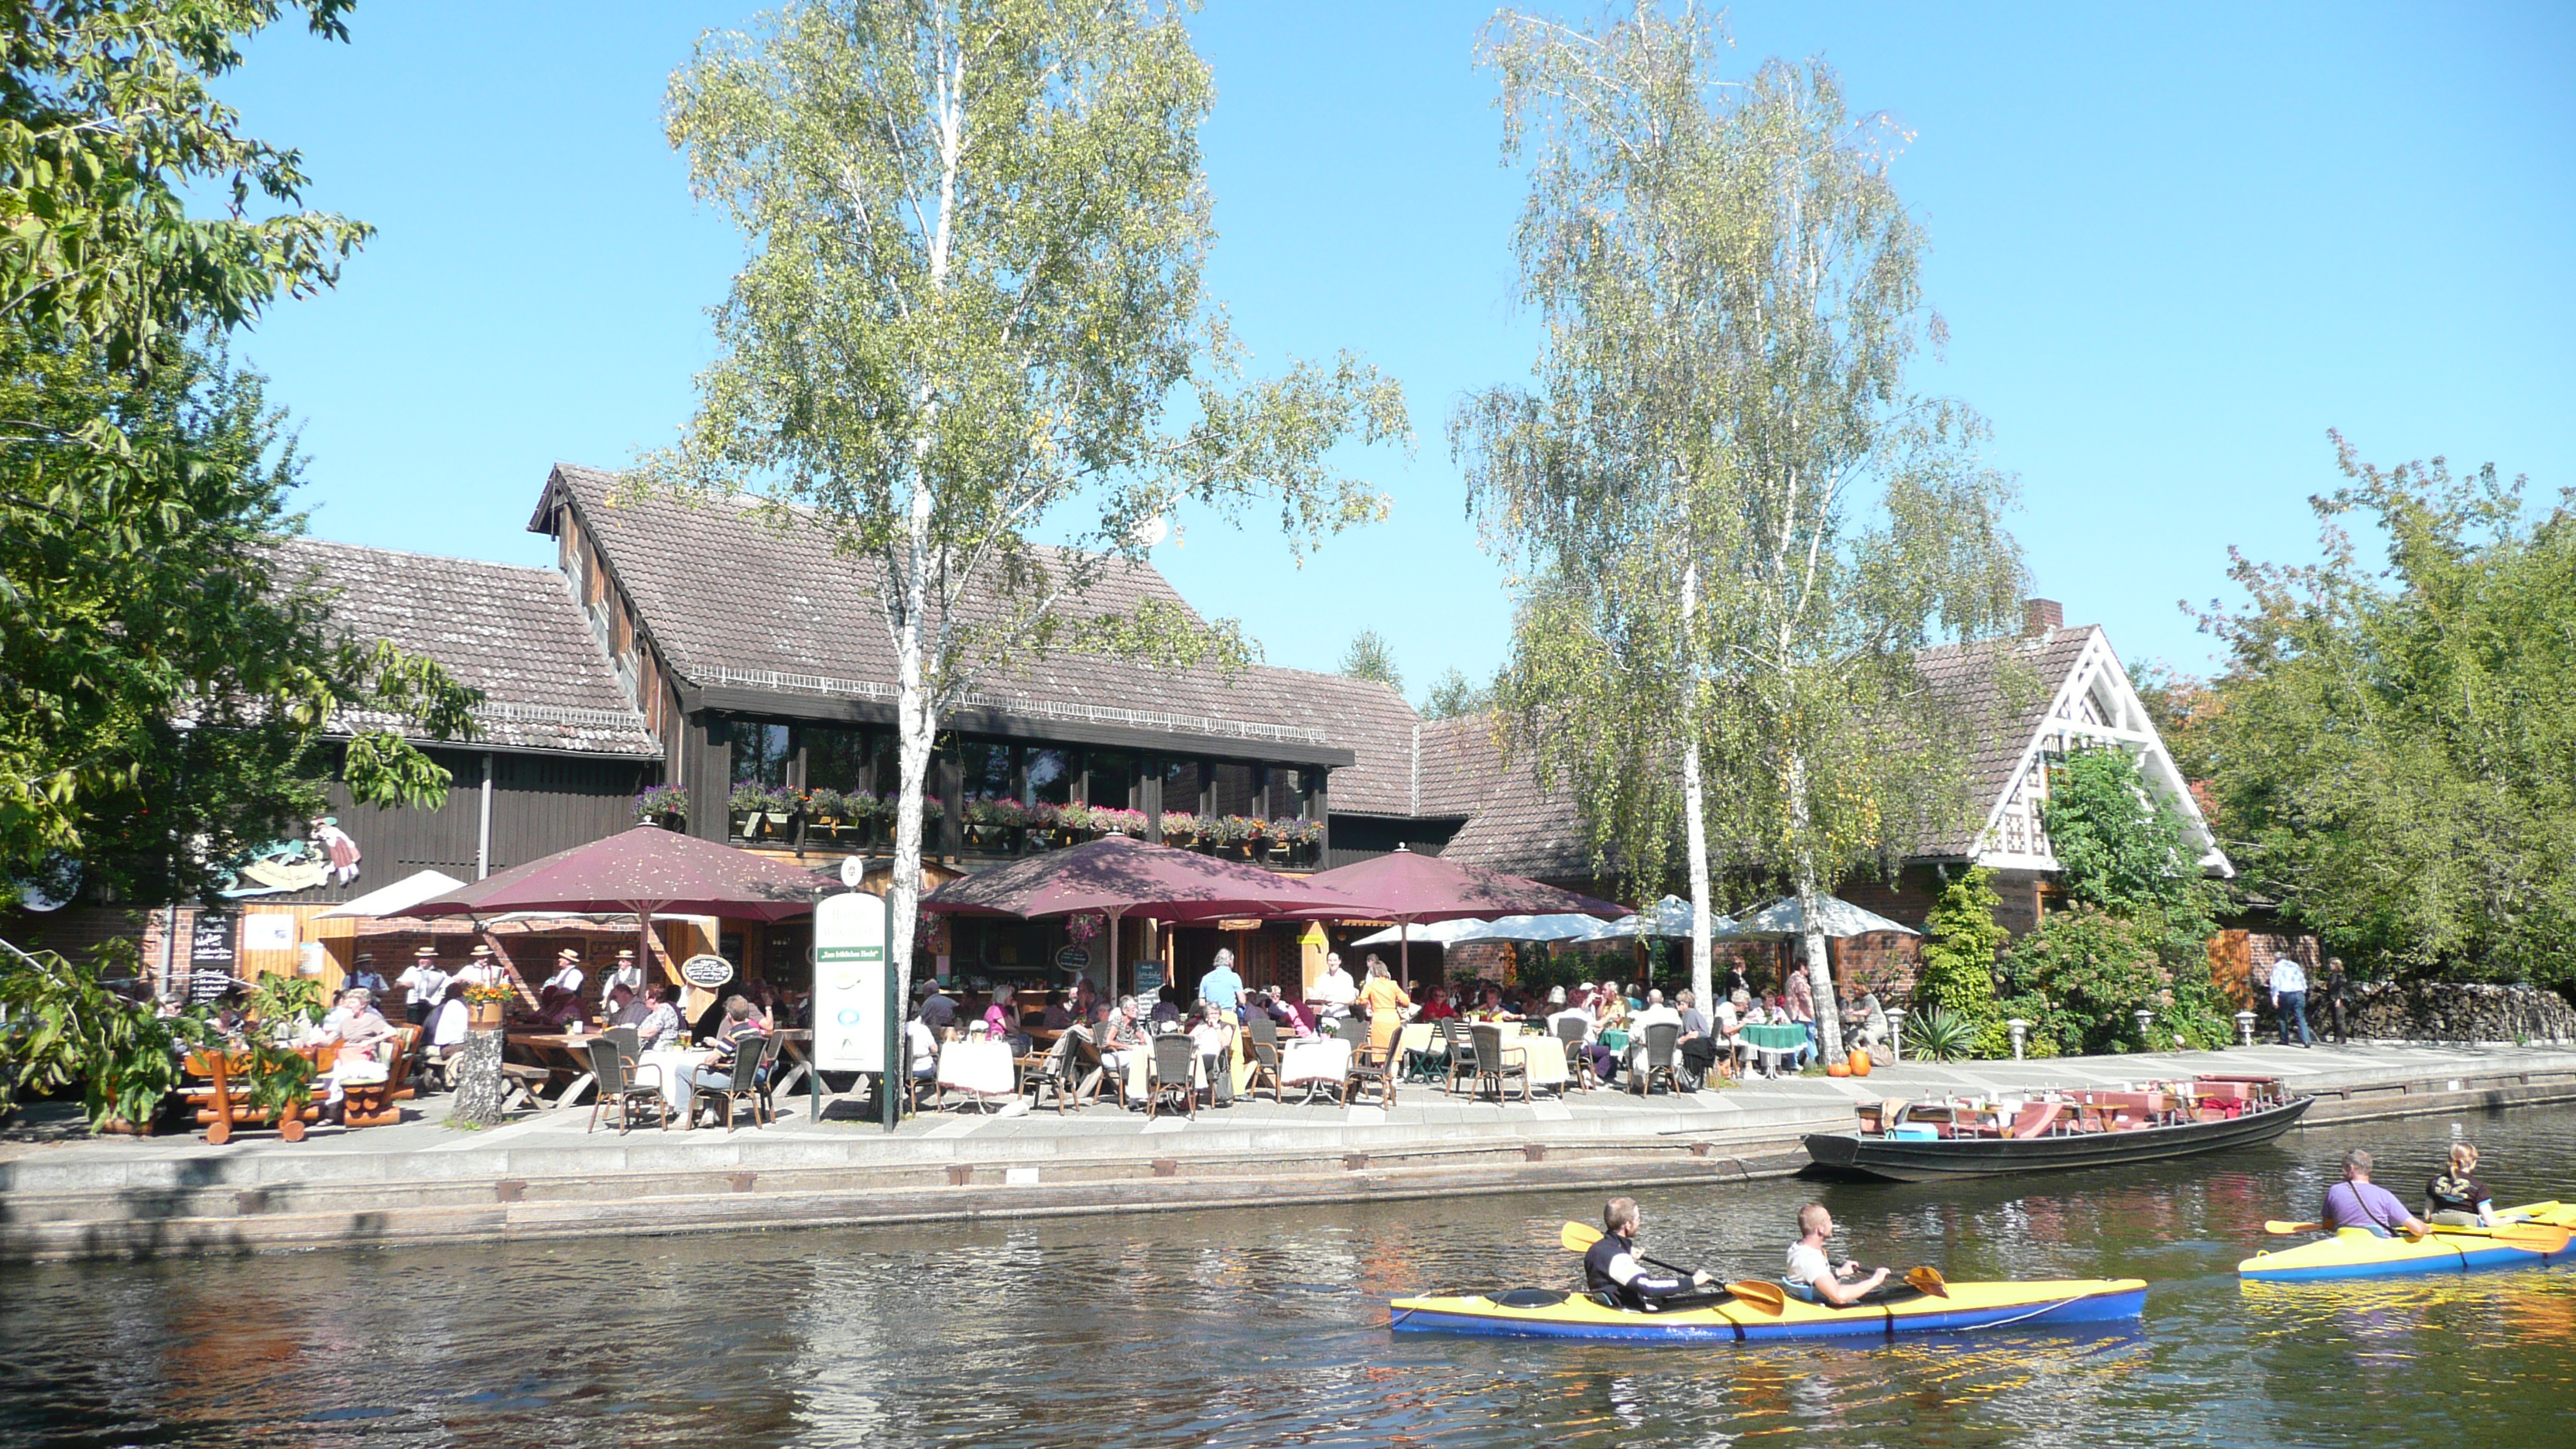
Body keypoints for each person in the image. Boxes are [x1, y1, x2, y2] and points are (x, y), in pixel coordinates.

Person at [1583, 1197, 1713, 1310]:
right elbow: (1648, 1287)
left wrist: (1626, 1251)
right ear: (1628, 1224)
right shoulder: (1617, 1257)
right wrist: (1693, 1281)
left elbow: (1611, 1267)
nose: (1640, 1222)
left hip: (1615, 1305)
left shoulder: (1597, 1249)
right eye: (1638, 1219)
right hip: (1629, 1312)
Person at [676, 996, 769, 1125]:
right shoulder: (754, 1031)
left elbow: (710, 1061)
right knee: (710, 1070)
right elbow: (763, 1058)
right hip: (747, 1080)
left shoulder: (733, 1035)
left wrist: (714, 1051)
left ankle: (684, 1116)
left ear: (729, 1015)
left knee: (682, 1070)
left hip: (729, 1080)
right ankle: (709, 1112)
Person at [1786, 1203, 1891, 1307]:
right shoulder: (1811, 1259)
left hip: (1805, 1301)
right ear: (1821, 1229)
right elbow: (1838, 1296)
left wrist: (1839, 1273)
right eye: (1830, 1221)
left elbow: (1812, 1278)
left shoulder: (1797, 1248)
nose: (1832, 1225)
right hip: (1818, 1308)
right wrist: (1875, 1280)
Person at [2321, 1148, 2430, 1238]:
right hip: (2380, 1248)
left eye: (2344, 1168)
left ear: (2351, 1168)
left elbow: (2328, 1225)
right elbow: (2418, 1230)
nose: (2343, 1173)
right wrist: (2428, 1228)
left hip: (2348, 1244)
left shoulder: (2334, 1191)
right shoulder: (2383, 1195)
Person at [2426, 1142, 2499, 1228]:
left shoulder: (2433, 1182)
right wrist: (2512, 1219)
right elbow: (2491, 1222)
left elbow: (2427, 1217)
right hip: (2469, 1231)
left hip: (2439, 1225)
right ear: (2472, 1162)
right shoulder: (2478, 1186)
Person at [1355, 955, 1414, 1060]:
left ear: (1373, 972)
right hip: (1393, 1018)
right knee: (1394, 1054)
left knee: (1381, 1053)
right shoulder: (1393, 984)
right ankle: (1393, 1076)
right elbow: (1406, 1002)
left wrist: (1367, 1008)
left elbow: (1362, 1000)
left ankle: (1385, 1075)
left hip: (1379, 1018)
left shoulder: (1371, 985)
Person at [1188, 1001, 1235, 1107]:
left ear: (1220, 1015)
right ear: (1206, 1016)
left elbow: (1225, 1043)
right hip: (1198, 1055)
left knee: (1198, 1062)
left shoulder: (1224, 1026)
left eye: (1216, 1013)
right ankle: (1188, 1091)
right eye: (1211, 1014)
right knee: (1189, 1061)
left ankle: (1192, 1093)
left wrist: (1216, 1028)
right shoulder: (1201, 1026)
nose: (1214, 1016)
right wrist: (1199, 1034)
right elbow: (1189, 1039)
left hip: (1216, 1057)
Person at [395, 947, 450, 1028]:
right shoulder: (411, 970)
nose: (422, 961)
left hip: (431, 1005)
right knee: (413, 1029)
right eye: (420, 958)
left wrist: (439, 997)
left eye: (425, 958)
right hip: (414, 1005)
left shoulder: (441, 973)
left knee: (429, 1029)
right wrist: (402, 984)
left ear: (432, 959)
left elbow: (448, 988)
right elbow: (396, 985)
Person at [2271, 955, 2313, 1048]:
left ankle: (2284, 1039)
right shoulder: (2295, 965)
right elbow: (2302, 979)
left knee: (2283, 1017)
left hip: (2285, 993)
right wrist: (2303, 991)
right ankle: (2306, 1040)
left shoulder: (2277, 966)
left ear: (2277, 959)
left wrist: (2275, 998)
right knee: (2300, 1017)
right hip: (2298, 992)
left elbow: (2275, 983)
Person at [1198, 948, 1245, 1019]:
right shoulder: (1234, 977)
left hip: (1211, 1017)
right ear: (1230, 960)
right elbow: (1242, 1001)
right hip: (1228, 1016)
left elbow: (1201, 1003)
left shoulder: (1206, 978)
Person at [1313, 952, 1358, 1017]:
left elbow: (1351, 1000)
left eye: (1335, 960)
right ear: (1327, 962)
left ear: (1340, 961)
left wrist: (1336, 1001)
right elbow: (1318, 995)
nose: (1332, 963)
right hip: (1326, 1015)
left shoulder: (1346, 977)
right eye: (1330, 960)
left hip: (1342, 1015)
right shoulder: (1323, 977)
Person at [2322, 957, 2352, 1045]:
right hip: (2333, 998)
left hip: (2340, 1000)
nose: (2330, 966)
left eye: (2332, 964)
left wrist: (2339, 999)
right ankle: (2336, 1037)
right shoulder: (2332, 975)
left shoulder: (2341, 975)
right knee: (2335, 1019)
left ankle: (2341, 1039)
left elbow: (2342, 988)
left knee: (2340, 1019)